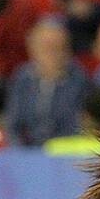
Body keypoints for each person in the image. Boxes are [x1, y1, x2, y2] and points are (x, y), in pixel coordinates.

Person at [6, 17, 91, 146]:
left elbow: (79, 126)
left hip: (64, 152)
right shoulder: (23, 78)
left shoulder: (78, 79)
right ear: (32, 48)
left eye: (58, 48)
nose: (52, 54)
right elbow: (13, 126)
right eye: (46, 48)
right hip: (27, 155)